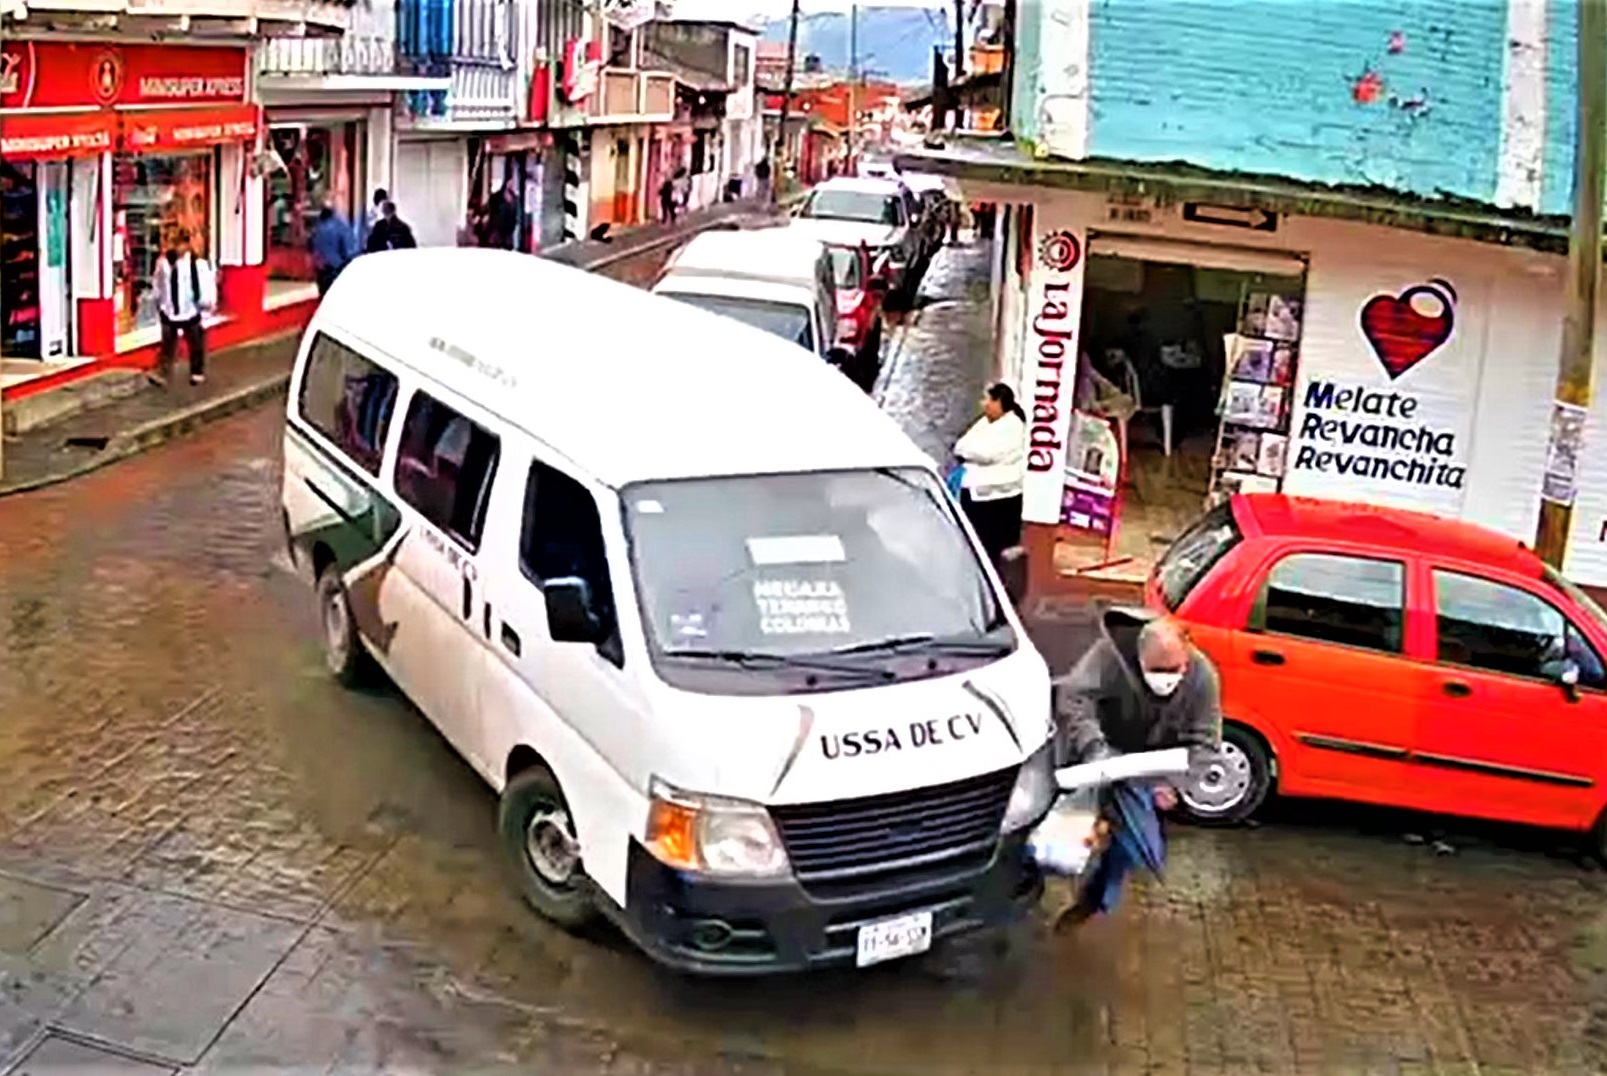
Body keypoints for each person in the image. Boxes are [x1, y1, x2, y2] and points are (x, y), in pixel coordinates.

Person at [1051, 611, 1222, 931]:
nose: (1168, 678)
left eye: (1175, 670)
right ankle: (1030, 881)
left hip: (1148, 769)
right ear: (1140, 662)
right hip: (1096, 756)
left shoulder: (1202, 678)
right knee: (1062, 831)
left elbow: (1205, 744)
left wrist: (1175, 784)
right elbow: (1075, 696)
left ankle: (1091, 902)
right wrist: (1093, 746)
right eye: (1158, 671)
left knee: (1127, 849)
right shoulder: (1108, 657)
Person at [951, 382, 1027, 568]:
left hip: (998, 497)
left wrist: (967, 452)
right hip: (977, 494)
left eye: (987, 399)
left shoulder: (1013, 427)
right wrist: (967, 450)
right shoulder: (986, 422)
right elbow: (961, 444)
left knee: (992, 546)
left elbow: (986, 453)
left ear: (998, 402)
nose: (983, 403)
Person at [149, 228, 216, 388]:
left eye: (180, 244)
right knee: (167, 345)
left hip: (190, 310)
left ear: (186, 245)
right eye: (174, 244)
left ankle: (197, 371)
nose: (177, 248)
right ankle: (163, 373)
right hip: (169, 310)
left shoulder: (197, 263)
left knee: (196, 342)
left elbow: (205, 284)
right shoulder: (163, 263)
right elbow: (158, 283)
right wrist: (158, 301)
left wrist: (207, 304)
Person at [309, 205, 357, 295]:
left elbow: (312, 247)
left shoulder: (317, 229)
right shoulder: (340, 227)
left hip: (321, 266)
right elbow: (346, 248)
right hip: (336, 265)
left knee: (323, 293)